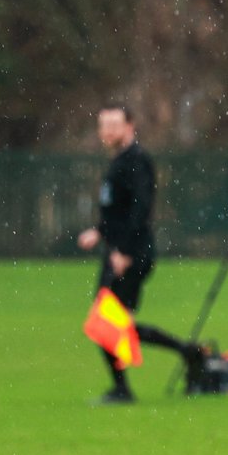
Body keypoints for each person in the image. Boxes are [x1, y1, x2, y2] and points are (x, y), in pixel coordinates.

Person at [77, 104, 156, 404]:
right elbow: (118, 209)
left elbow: (140, 208)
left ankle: (122, 389)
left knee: (107, 321)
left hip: (131, 254)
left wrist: (123, 250)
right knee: (115, 322)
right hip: (119, 250)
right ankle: (189, 352)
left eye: (113, 124)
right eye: (103, 125)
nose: (107, 131)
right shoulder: (119, 161)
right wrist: (99, 231)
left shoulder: (137, 160)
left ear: (129, 126)